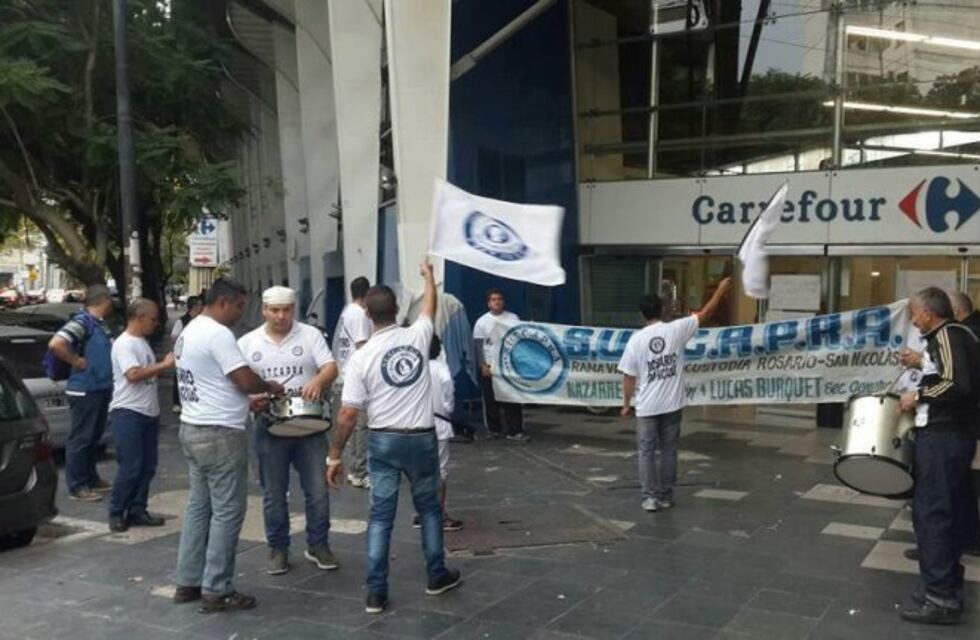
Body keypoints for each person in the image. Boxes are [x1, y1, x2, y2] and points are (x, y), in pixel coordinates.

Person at [327, 260, 461, 615]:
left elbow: (348, 414)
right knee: (430, 511)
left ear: (367, 314)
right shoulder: (418, 336)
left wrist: (335, 455)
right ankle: (436, 575)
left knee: (381, 517)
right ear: (398, 309)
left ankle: (375, 591)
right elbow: (430, 305)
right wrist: (429, 277)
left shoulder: (361, 357)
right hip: (421, 438)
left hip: (383, 442)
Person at [173, 278, 284, 614]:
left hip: (192, 427)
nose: (240, 314)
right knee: (227, 511)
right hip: (219, 434)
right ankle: (217, 588)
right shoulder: (218, 334)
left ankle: (188, 580)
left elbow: (211, 382)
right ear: (223, 302)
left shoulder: (190, 330)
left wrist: (244, 404)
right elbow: (244, 379)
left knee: (199, 507)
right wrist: (269, 387)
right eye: (239, 306)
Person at [238, 286, 339, 576]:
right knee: (273, 493)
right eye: (275, 310)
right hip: (269, 426)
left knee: (318, 490)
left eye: (287, 310)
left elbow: (330, 366)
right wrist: (251, 402)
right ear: (264, 311)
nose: (281, 316)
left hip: (310, 424)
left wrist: (319, 381)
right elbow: (238, 383)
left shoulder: (310, 335)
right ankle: (278, 548)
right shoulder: (247, 342)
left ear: (294, 309)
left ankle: (318, 544)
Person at [897, 287, 980, 625]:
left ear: (928, 312)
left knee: (933, 513)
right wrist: (920, 362)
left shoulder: (949, 333)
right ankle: (942, 587)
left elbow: (957, 384)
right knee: (945, 512)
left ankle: (940, 598)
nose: (913, 320)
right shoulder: (953, 337)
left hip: (944, 436)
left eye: (915, 313)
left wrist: (918, 394)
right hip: (952, 437)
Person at [618, 277, 733, 512]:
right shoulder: (676, 330)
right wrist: (720, 291)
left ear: (642, 314)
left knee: (646, 451)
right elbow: (707, 312)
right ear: (661, 309)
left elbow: (629, 377)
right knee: (669, 450)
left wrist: (626, 404)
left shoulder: (636, 340)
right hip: (672, 405)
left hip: (647, 406)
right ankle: (666, 495)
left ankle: (650, 497)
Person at [107, 300, 175, 532]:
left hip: (148, 412)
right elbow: (133, 374)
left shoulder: (141, 342)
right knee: (131, 466)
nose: (156, 324)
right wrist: (163, 365)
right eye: (153, 319)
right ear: (139, 317)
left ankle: (137, 509)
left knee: (147, 466)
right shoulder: (125, 344)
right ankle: (117, 511)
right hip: (129, 412)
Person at [48, 284, 116, 502]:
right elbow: (57, 344)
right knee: (81, 437)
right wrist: (76, 360)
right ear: (103, 300)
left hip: (99, 387)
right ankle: (77, 485)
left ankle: (90, 477)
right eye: (110, 300)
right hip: (85, 389)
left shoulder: (99, 325)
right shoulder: (81, 323)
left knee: (93, 436)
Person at [412, 335, 463, 532]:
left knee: (420, 471)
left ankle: (421, 512)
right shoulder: (442, 370)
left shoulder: (412, 368)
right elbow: (448, 401)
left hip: (416, 425)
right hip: (439, 425)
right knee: (440, 471)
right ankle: (439, 514)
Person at [332, 276, 374, 488]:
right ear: (367, 294)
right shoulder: (358, 315)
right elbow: (362, 346)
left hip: (345, 374)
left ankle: (354, 468)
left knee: (353, 425)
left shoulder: (347, 311)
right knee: (361, 426)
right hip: (355, 376)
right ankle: (359, 471)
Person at [473, 288, 525, 441]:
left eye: (499, 299)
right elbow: (478, 345)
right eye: (493, 299)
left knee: (512, 398)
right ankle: (494, 430)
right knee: (491, 399)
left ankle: (514, 431)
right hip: (490, 365)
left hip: (509, 365)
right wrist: (483, 365)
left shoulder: (513, 318)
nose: (497, 302)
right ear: (489, 303)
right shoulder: (482, 322)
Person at [171, 296, 204, 412]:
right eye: (200, 305)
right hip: (183, 355)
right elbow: (174, 338)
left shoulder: (203, 321)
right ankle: (177, 402)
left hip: (198, 356)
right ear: (194, 307)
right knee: (180, 377)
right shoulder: (181, 321)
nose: (202, 307)